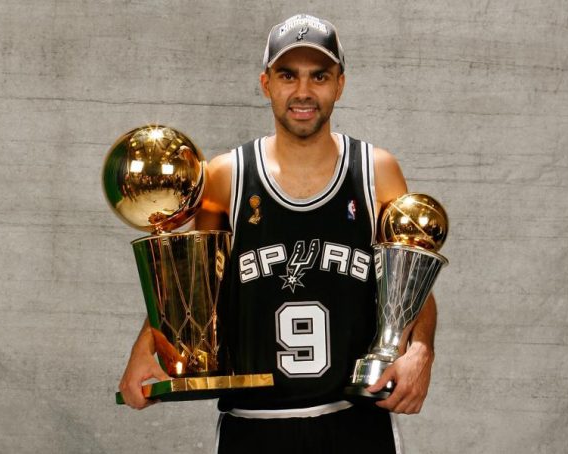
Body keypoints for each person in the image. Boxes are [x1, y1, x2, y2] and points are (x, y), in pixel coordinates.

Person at [119, 13, 437, 453]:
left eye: (319, 76)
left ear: (340, 84)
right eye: (288, 75)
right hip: (254, 427)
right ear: (266, 83)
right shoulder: (225, 177)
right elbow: (190, 288)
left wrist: (421, 352)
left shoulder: (375, 171)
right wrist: (145, 350)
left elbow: (413, 283)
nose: (303, 92)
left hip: (353, 425)